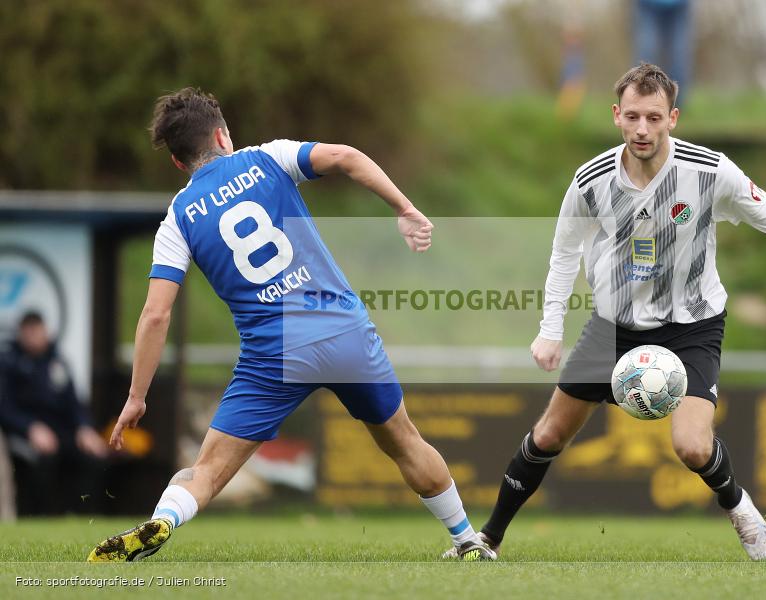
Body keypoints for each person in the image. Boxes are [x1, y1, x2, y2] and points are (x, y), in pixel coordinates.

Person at [444, 63, 766, 561]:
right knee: (547, 433)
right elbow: (564, 251)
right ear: (616, 115)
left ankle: (739, 508)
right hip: (612, 328)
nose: (642, 129)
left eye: (653, 117)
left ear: (673, 116)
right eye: (632, 116)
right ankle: (487, 539)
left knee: (693, 447)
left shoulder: (709, 171)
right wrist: (549, 330)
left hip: (692, 325)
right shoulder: (591, 181)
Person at [87, 88, 494, 562]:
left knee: (210, 468)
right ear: (222, 135)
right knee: (404, 441)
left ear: (178, 163)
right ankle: (466, 539)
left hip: (274, 355)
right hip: (343, 331)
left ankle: (164, 520)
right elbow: (344, 156)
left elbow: (156, 314)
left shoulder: (178, 218)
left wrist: (137, 397)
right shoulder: (269, 158)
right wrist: (404, 208)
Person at [0, 312, 108, 515]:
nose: (34, 337)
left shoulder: (57, 361)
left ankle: (81, 516)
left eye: (37, 331)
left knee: (93, 459)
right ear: (21, 334)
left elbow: (75, 403)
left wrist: (84, 428)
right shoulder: (9, 363)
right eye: (29, 332)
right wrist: (30, 427)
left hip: (60, 432)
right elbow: (5, 409)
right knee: (44, 460)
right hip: (23, 434)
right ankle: (42, 516)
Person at [633, 0, 693, 105]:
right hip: (648, 5)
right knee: (647, 52)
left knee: (678, 56)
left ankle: (675, 104)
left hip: (679, 5)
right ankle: (639, 98)